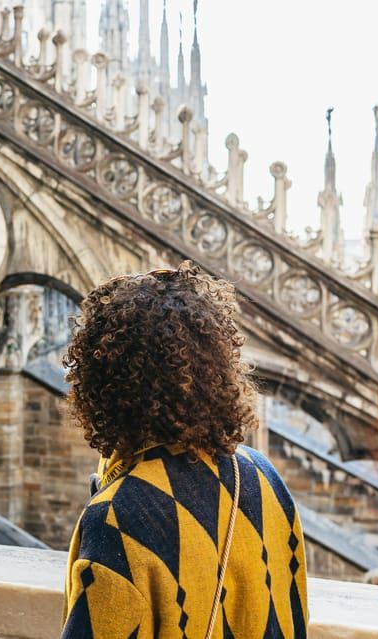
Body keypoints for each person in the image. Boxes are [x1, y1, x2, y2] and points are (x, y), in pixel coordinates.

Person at [61, 262, 308, 638]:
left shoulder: (117, 516)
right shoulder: (262, 476)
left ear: (101, 382)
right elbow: (294, 613)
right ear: (219, 370)